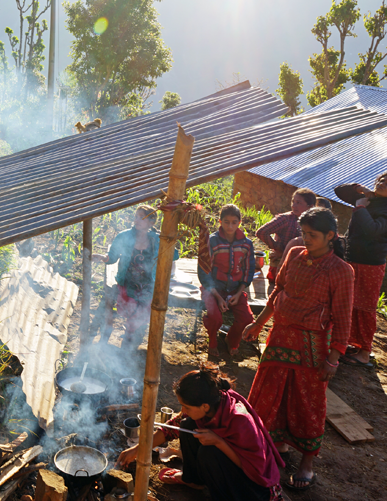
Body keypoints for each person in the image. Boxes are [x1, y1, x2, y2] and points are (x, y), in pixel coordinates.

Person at [243, 207, 354, 492]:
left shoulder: (342, 271)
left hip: (312, 346)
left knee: (308, 403)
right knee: (269, 394)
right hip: (279, 338)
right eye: (303, 233)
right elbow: (278, 291)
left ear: (331, 236)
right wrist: (258, 324)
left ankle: (307, 464)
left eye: (312, 235)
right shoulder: (294, 254)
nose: (306, 239)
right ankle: (272, 446)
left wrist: (333, 359)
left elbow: (342, 318)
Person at [118, 366, 284, 501]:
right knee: (187, 425)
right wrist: (136, 450)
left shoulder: (240, 420)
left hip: (255, 489)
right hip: (232, 466)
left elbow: (253, 468)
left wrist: (219, 442)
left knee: (209, 452)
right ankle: (194, 480)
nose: (183, 410)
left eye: (187, 407)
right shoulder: (210, 406)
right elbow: (170, 429)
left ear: (204, 406)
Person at [337, 172, 387, 367]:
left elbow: (373, 229)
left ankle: (365, 352)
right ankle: (351, 342)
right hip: (353, 258)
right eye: (380, 180)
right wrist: (362, 190)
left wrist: (360, 208)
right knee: (349, 303)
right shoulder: (371, 202)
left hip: (370, 264)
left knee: (365, 307)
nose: (382, 183)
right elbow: (339, 191)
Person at [93, 206, 177, 350]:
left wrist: (170, 276)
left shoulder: (158, 239)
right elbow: (112, 257)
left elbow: (173, 256)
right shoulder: (124, 236)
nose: (136, 220)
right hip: (127, 283)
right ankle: (129, 337)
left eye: (142, 217)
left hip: (149, 285)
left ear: (152, 222)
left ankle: (130, 339)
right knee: (131, 308)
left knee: (143, 313)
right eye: (136, 216)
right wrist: (103, 257)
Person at [199, 204, 255, 359]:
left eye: (234, 222)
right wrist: (217, 296)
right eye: (226, 222)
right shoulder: (212, 241)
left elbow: (248, 270)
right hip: (213, 289)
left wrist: (238, 293)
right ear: (220, 221)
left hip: (235, 290)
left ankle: (231, 340)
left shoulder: (246, 244)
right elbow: (204, 271)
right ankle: (212, 343)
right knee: (215, 317)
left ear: (239, 222)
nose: (230, 226)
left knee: (247, 318)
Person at [256, 188, 316, 290]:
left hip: (302, 266)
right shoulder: (286, 219)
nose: (293, 205)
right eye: (293, 201)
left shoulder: (315, 223)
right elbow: (262, 232)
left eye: (298, 202)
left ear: (310, 207)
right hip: (280, 265)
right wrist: (279, 249)